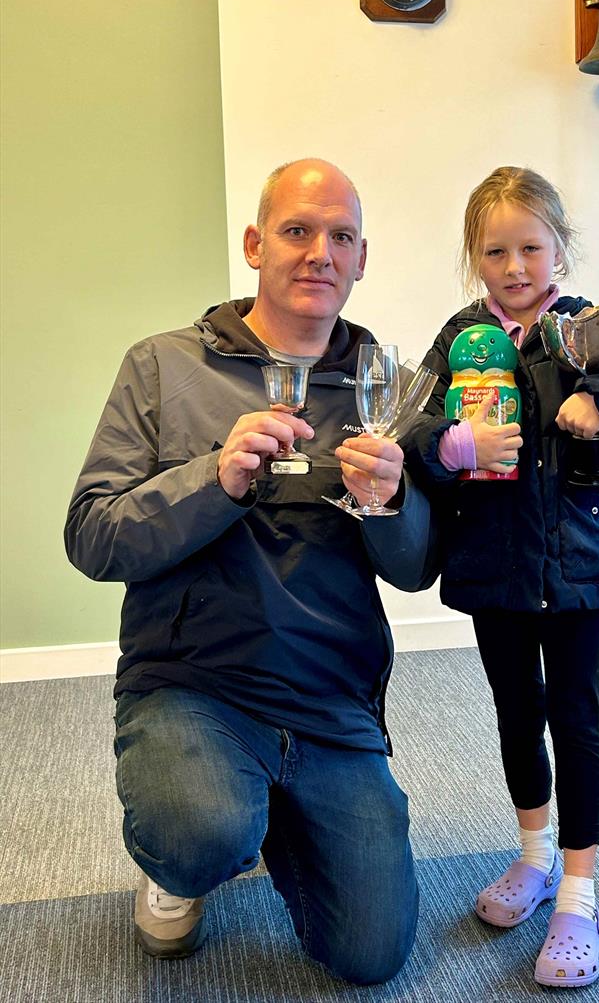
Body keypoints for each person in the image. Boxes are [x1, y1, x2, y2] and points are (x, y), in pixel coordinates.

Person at [64, 158, 439, 985]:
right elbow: (92, 535)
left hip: (329, 701)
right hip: (194, 683)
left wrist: (390, 501)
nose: (320, 253)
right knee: (201, 832)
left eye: (341, 236)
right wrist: (217, 476)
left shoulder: (392, 388)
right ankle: (187, 857)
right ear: (254, 243)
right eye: (298, 230)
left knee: (372, 954)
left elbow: (418, 570)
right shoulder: (163, 366)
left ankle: (274, 813)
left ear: (363, 257)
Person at [403, 166, 599, 988]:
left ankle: (579, 890)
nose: (514, 265)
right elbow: (416, 424)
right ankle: (533, 857)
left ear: (560, 249)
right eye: (494, 250)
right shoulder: (462, 336)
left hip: (578, 564)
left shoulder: (589, 329)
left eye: (531, 246)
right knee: (514, 712)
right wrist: (452, 446)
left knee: (575, 717)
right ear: (474, 258)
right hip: (493, 564)